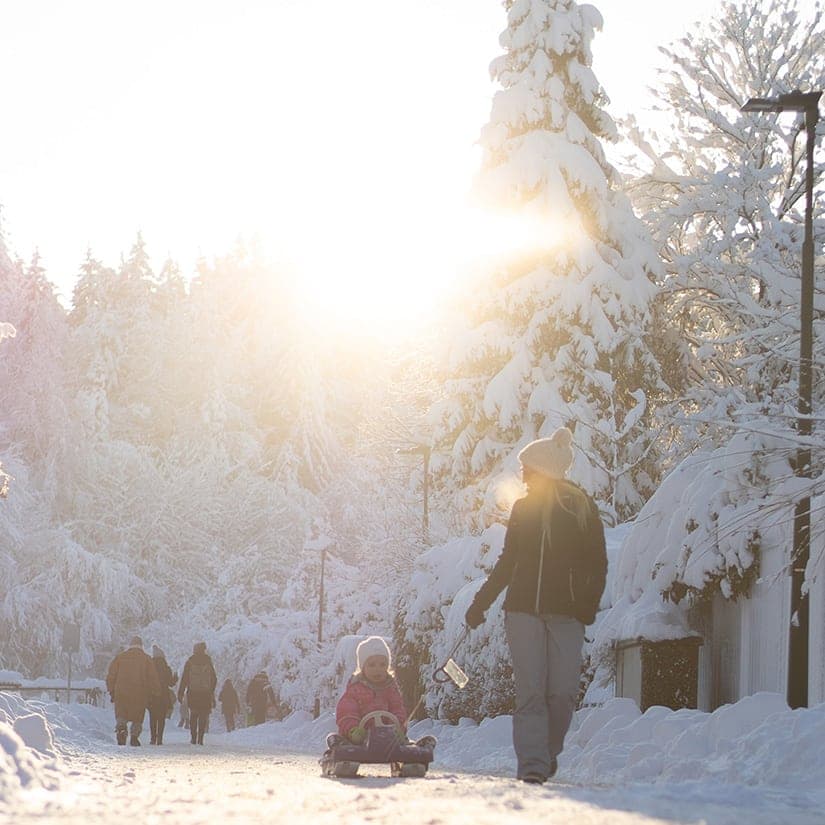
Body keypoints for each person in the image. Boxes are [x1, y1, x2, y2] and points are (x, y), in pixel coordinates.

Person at [464, 427, 607, 785]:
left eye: (527, 466)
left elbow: (597, 562)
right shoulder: (523, 509)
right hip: (522, 610)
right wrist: (480, 603)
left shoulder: (580, 506)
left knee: (562, 693)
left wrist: (587, 606)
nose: (522, 472)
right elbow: (508, 561)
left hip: (568, 613)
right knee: (530, 691)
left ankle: (546, 754)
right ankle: (532, 764)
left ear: (543, 468)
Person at [335, 636, 406, 743]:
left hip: (386, 738)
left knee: (403, 742)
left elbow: (397, 709)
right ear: (363, 667)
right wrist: (352, 729)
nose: (377, 669)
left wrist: (398, 727)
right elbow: (346, 711)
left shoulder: (391, 689)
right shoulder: (355, 690)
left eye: (382, 665)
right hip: (359, 739)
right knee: (342, 743)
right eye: (372, 665)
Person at [105, 636, 162, 746]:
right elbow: (153, 677)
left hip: (121, 692)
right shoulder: (146, 659)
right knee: (138, 716)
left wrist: (111, 690)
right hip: (140, 693)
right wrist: (156, 691)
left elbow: (111, 676)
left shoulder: (120, 658)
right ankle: (134, 736)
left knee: (122, 713)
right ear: (141, 646)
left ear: (130, 645)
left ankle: (121, 729)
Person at [178, 641, 217, 745]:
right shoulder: (208, 661)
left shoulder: (190, 661)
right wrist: (211, 691)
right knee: (203, 715)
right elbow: (214, 678)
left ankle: (193, 738)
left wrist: (181, 692)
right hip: (205, 693)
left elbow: (184, 678)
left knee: (194, 715)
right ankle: (200, 738)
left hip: (193, 693)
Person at [147, 645, 177, 745]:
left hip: (152, 696)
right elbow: (170, 683)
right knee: (161, 718)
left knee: (153, 718)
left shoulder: (149, 667)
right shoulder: (166, 668)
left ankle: (152, 738)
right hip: (163, 696)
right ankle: (159, 738)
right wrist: (175, 678)